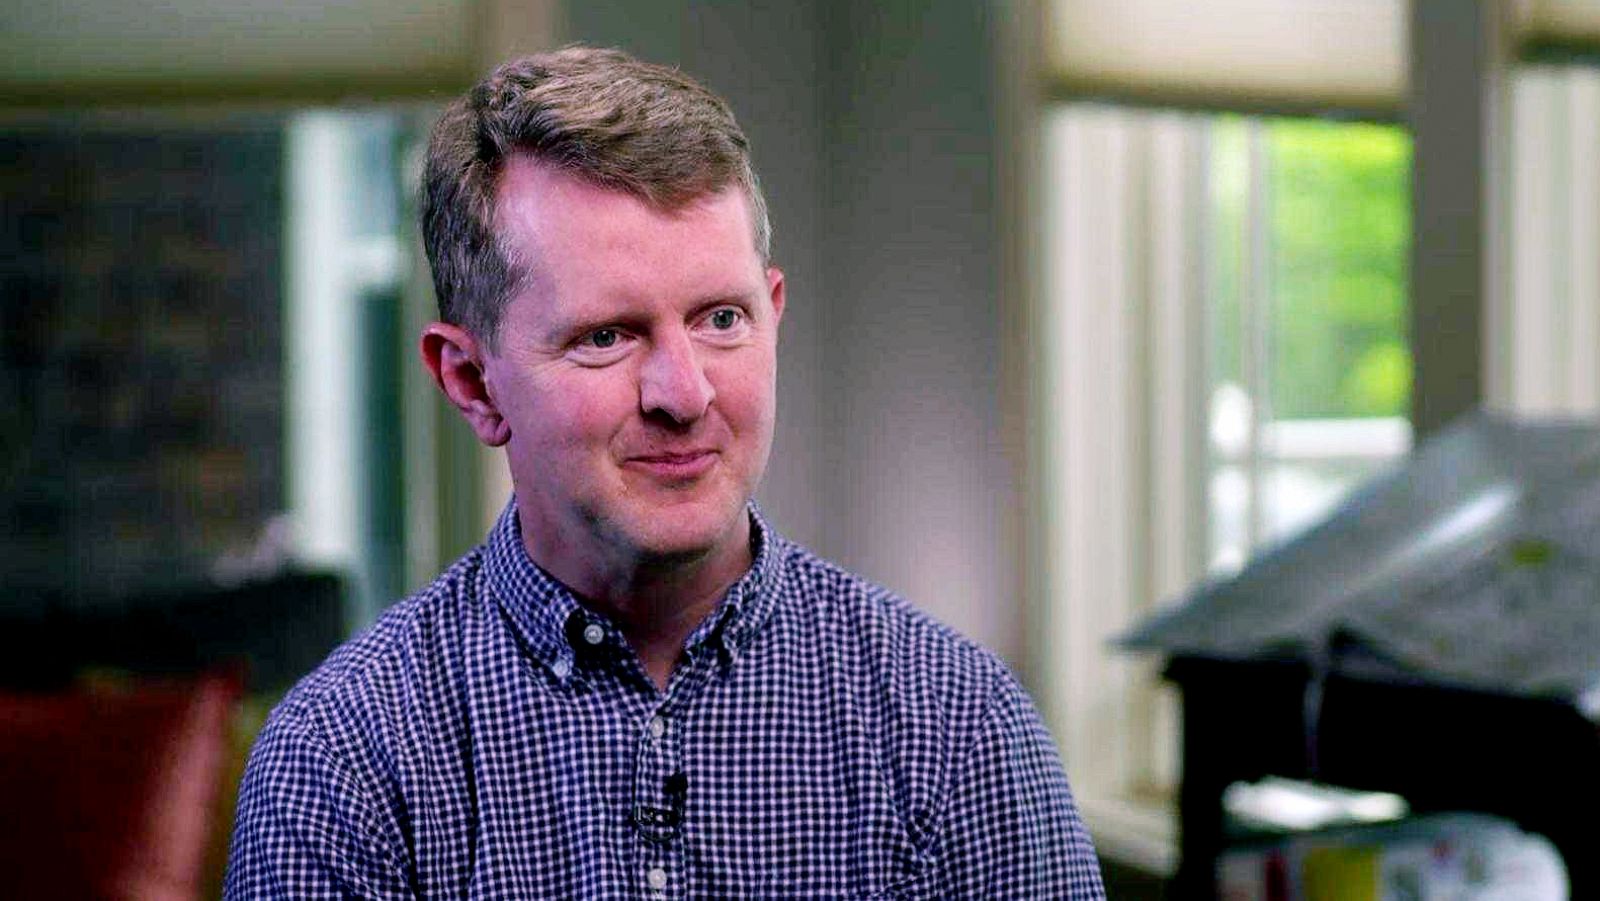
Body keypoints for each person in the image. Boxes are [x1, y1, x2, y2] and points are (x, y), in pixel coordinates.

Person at [225, 45, 1104, 899]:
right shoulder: (343, 763)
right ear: (471, 380)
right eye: (606, 336)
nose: (684, 393)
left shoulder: (959, 728)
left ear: (774, 314)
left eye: (722, 318)